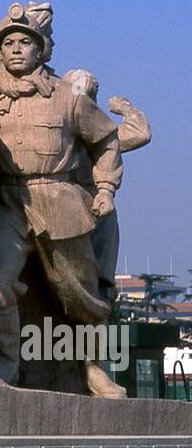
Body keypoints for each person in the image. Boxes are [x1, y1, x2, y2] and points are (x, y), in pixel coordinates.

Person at [0, 5, 123, 393]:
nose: (15, 49)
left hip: (59, 199)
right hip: (7, 201)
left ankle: (94, 368)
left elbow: (106, 141)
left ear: (40, 51)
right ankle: (9, 361)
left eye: (25, 42)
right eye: (8, 43)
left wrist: (106, 188)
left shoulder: (68, 96)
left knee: (82, 293)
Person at [63, 69, 152, 295]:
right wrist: (125, 108)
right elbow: (140, 132)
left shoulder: (100, 133)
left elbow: (139, 134)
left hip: (97, 206)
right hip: (67, 205)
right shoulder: (61, 130)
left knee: (96, 278)